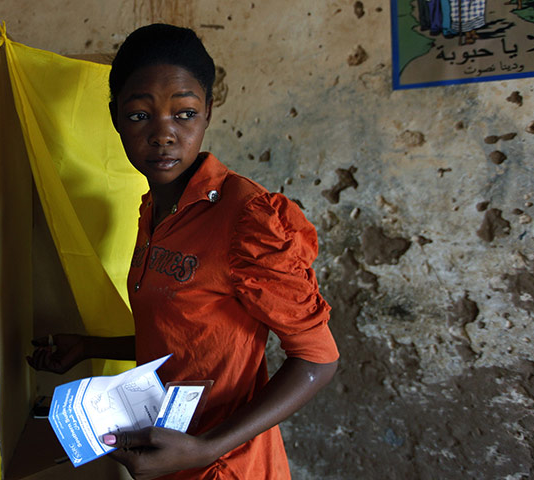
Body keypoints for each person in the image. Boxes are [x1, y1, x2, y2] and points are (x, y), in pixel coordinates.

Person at [27, 23, 339, 480]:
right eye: (139, 116)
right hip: (166, 455)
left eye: (185, 113)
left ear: (208, 111)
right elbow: (187, 336)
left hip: (227, 465)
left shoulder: (247, 219)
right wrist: (92, 347)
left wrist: (204, 448)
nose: (163, 135)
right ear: (115, 116)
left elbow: (319, 359)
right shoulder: (154, 210)